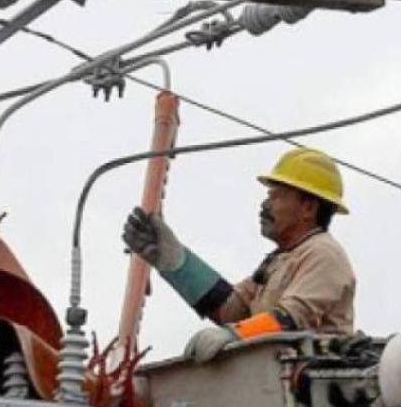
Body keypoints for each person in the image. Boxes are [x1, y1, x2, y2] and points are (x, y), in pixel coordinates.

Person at [122, 147, 356, 363]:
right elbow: (231, 309)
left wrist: (235, 334)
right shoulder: (280, 259)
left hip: (310, 386)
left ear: (308, 208)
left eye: (276, 196)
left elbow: (291, 320)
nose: (265, 205)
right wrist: (175, 261)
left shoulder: (324, 255)